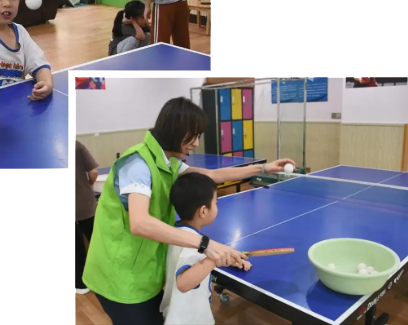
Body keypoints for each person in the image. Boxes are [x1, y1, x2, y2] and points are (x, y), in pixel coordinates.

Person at [83, 97, 294, 325]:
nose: (196, 143)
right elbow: (140, 222)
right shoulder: (138, 164)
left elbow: (212, 175)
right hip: (119, 274)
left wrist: (263, 168)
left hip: (144, 271)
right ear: (174, 130)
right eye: (192, 136)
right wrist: (206, 245)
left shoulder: (168, 161)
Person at [161, 173, 251, 325]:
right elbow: (183, 283)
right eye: (215, 203)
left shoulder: (177, 234)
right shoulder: (194, 245)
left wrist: (228, 259)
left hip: (177, 314)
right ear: (203, 211)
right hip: (189, 319)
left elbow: (195, 265)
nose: (217, 206)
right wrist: (214, 259)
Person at [75, 140, 99, 294]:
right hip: (84, 202)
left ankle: (80, 284)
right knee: (97, 241)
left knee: (75, 247)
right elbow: (94, 171)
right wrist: (89, 185)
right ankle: (104, 277)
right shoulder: (76, 145)